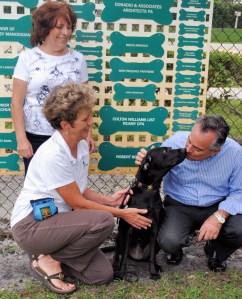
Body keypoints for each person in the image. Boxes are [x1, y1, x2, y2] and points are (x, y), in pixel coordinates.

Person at [10, 82, 152, 294]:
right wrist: (123, 213)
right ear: (66, 124)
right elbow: (77, 203)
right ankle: (48, 258)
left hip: (58, 221)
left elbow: (80, 191)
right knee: (103, 220)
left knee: (101, 275)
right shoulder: (53, 154)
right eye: (85, 119)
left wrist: (109, 200)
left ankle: (49, 255)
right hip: (31, 226)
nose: (90, 123)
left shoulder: (81, 145)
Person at [135, 114, 242, 272]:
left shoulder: (235, 153)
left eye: (197, 149)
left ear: (215, 151)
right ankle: (174, 250)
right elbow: (154, 172)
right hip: (179, 204)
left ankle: (215, 252)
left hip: (217, 204)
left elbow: (239, 191)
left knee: (239, 229)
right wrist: (147, 163)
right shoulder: (175, 142)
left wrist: (219, 216)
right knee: (169, 240)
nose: (188, 149)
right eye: (190, 140)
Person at [11, 1, 95, 175]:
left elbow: (85, 104)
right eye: (59, 27)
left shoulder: (78, 60)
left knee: (71, 189)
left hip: (71, 136)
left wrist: (88, 134)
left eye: (69, 27)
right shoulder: (27, 58)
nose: (66, 32)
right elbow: (16, 103)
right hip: (36, 137)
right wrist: (21, 139)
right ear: (44, 28)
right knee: (39, 190)